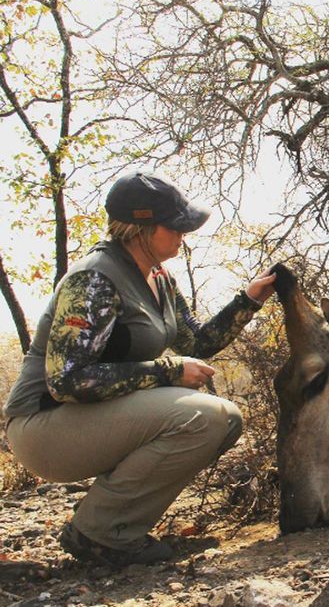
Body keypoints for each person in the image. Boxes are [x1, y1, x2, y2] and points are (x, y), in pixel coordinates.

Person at [3, 172, 277, 566]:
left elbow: (195, 343)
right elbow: (66, 381)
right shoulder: (94, 279)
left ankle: (111, 523)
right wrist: (166, 371)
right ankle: (101, 533)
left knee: (222, 419)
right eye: (175, 226)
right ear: (140, 228)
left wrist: (247, 301)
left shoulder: (158, 276)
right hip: (43, 426)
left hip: (85, 416)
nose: (184, 235)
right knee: (206, 416)